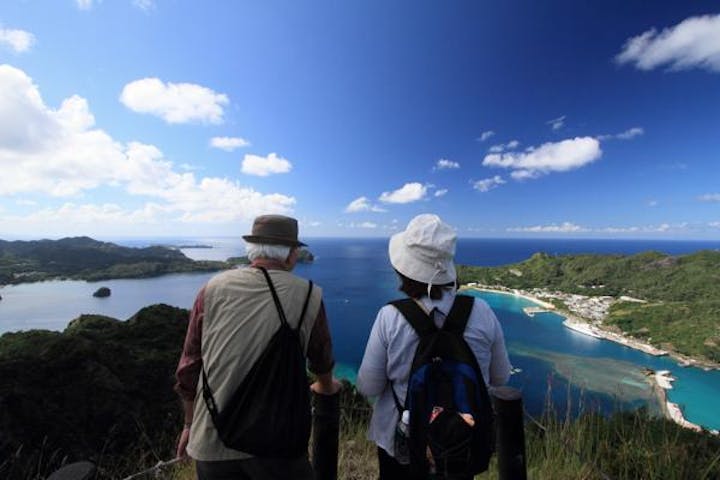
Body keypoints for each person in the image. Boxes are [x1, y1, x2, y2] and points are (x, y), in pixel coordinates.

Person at [174, 214, 341, 480]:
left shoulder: (211, 289)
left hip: (213, 439)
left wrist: (189, 425)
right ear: (289, 255)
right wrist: (326, 385)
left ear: (253, 250)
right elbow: (321, 356)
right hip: (278, 442)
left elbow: (189, 365)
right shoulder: (309, 293)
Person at [357, 214, 512, 479]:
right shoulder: (482, 311)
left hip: (403, 442)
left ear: (405, 269)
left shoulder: (390, 316)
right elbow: (500, 377)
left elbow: (368, 386)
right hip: (462, 441)